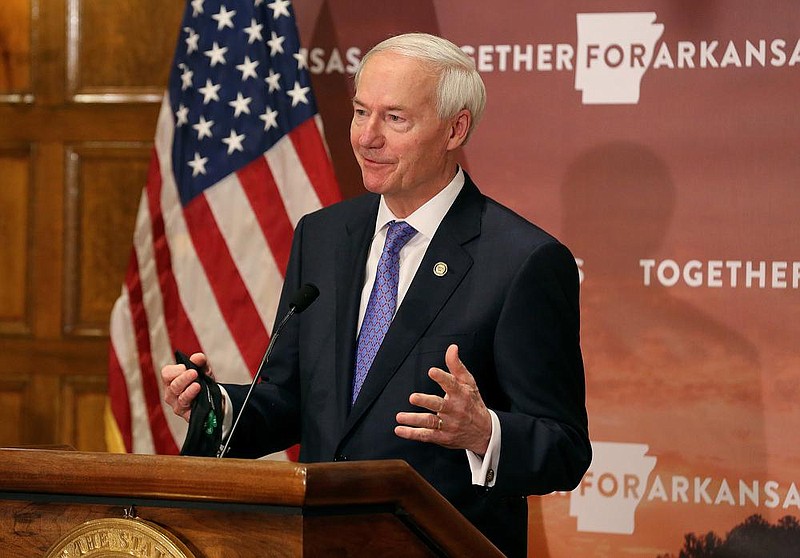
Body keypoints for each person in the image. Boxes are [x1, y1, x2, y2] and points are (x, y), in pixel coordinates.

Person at [162, 32, 590, 557]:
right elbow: (294, 399)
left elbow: (565, 448)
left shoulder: (522, 260)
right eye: (360, 112)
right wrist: (215, 405)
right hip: (319, 542)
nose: (366, 137)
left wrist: (484, 433)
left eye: (394, 119)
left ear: (455, 129)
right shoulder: (321, 236)